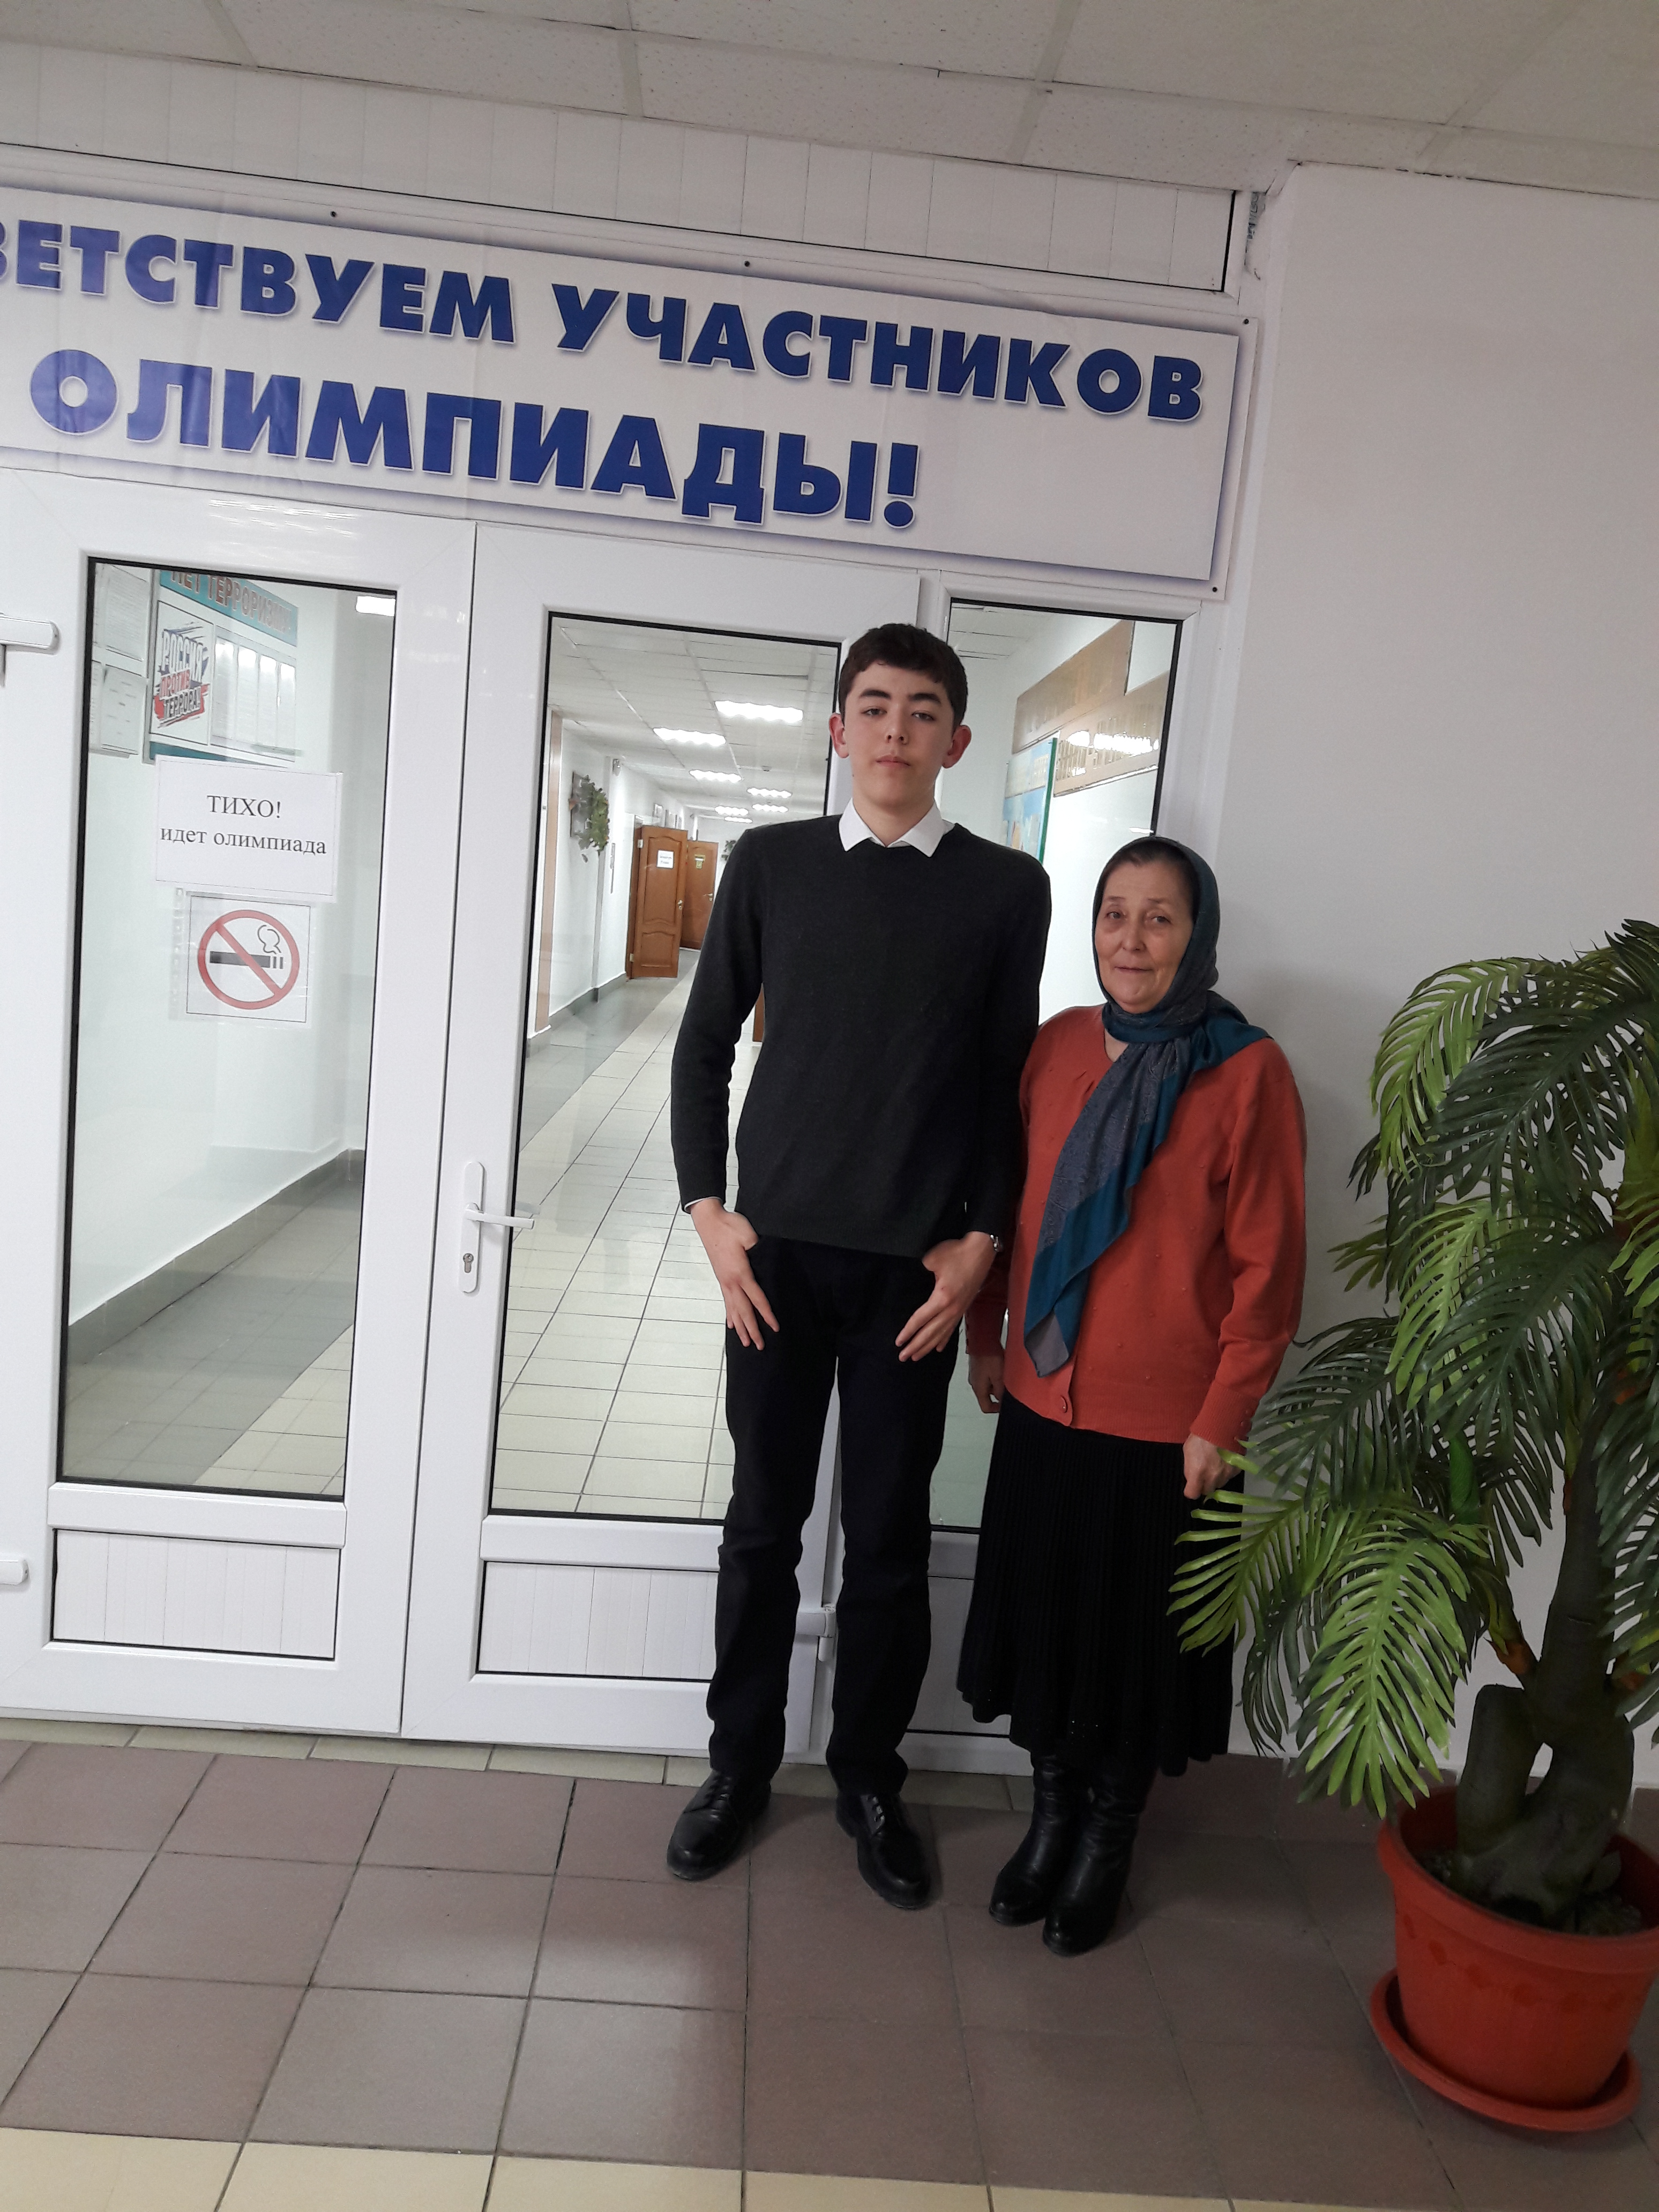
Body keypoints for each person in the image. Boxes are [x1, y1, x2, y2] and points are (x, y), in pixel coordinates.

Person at [667, 624, 1051, 1907]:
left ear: (957, 740)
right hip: (774, 1266)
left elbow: (1005, 1083)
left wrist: (983, 1244)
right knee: (761, 1528)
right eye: (874, 706)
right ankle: (737, 1766)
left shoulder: (1005, 889)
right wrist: (708, 1210)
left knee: (888, 1541)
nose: (896, 729)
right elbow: (703, 1045)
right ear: (839, 731)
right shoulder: (771, 864)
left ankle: (871, 1780)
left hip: (911, 1283)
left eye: (922, 710)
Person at [956, 835, 1305, 1955]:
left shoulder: (1245, 1071)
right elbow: (1011, 1207)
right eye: (1116, 914)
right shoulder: (1058, 1046)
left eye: (1160, 918)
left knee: (1134, 1651)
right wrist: (986, 1334)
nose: (1133, 940)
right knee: (1052, 1631)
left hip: (1170, 1431)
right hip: (1046, 1401)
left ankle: (1108, 1837)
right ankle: (1051, 1818)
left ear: (1196, 936)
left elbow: (1268, 1272)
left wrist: (1222, 1421)